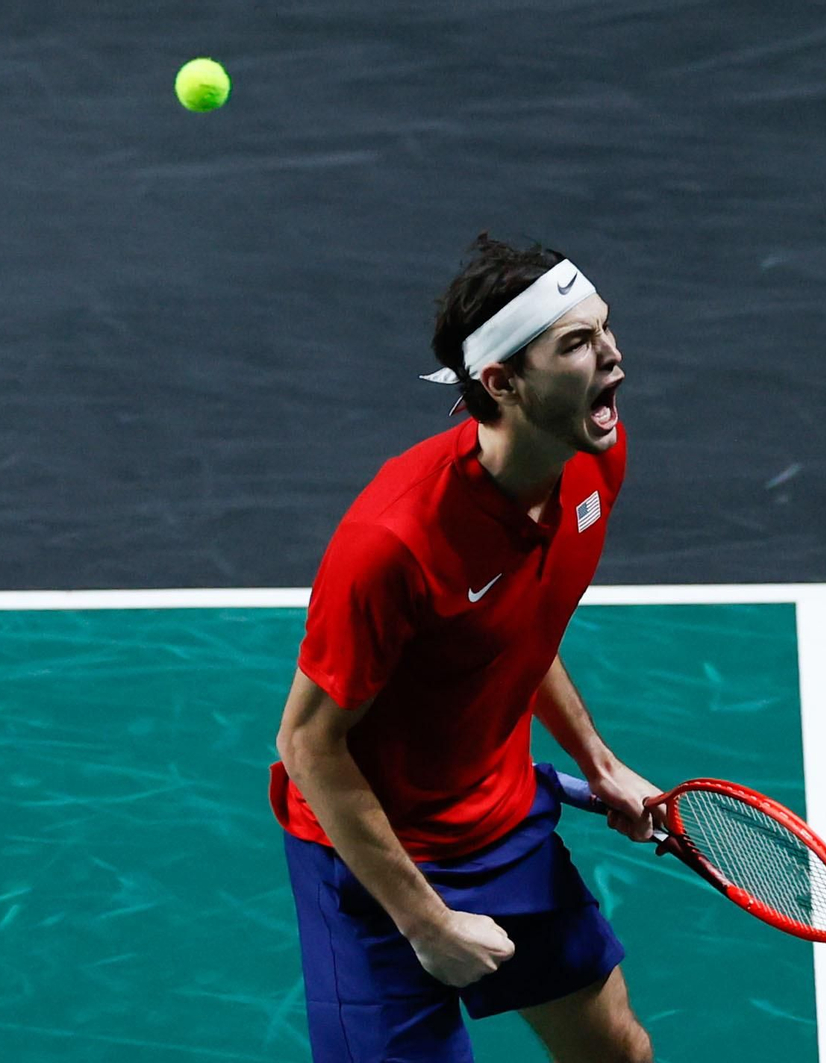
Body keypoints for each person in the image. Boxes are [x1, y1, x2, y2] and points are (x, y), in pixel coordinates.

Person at [271, 233, 661, 1063]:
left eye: (607, 329)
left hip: (501, 821)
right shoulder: (392, 542)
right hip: (374, 867)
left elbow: (517, 621)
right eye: (579, 343)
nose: (614, 357)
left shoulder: (595, 460)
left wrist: (596, 758)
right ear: (501, 381)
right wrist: (427, 921)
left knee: (617, 1055)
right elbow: (306, 742)